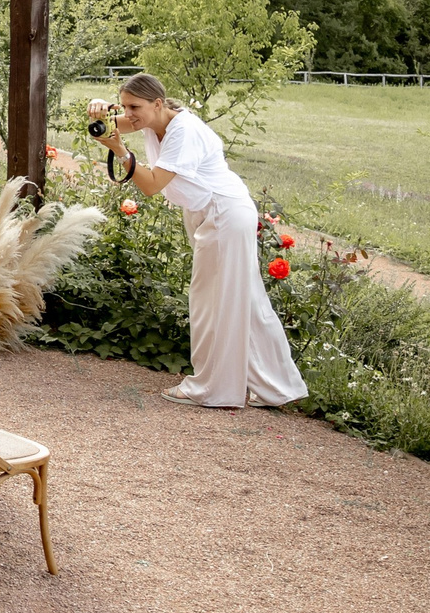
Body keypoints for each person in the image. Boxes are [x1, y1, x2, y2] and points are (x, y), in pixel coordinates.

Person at [98, 72, 309, 410]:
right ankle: (276, 387)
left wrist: (120, 151)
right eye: (123, 106)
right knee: (246, 301)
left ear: (157, 103)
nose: (128, 114)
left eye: (133, 107)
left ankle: (212, 389)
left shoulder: (184, 132)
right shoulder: (155, 120)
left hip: (222, 213)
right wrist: (99, 111)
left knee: (211, 304)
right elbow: (114, 126)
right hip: (214, 211)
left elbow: (151, 185)